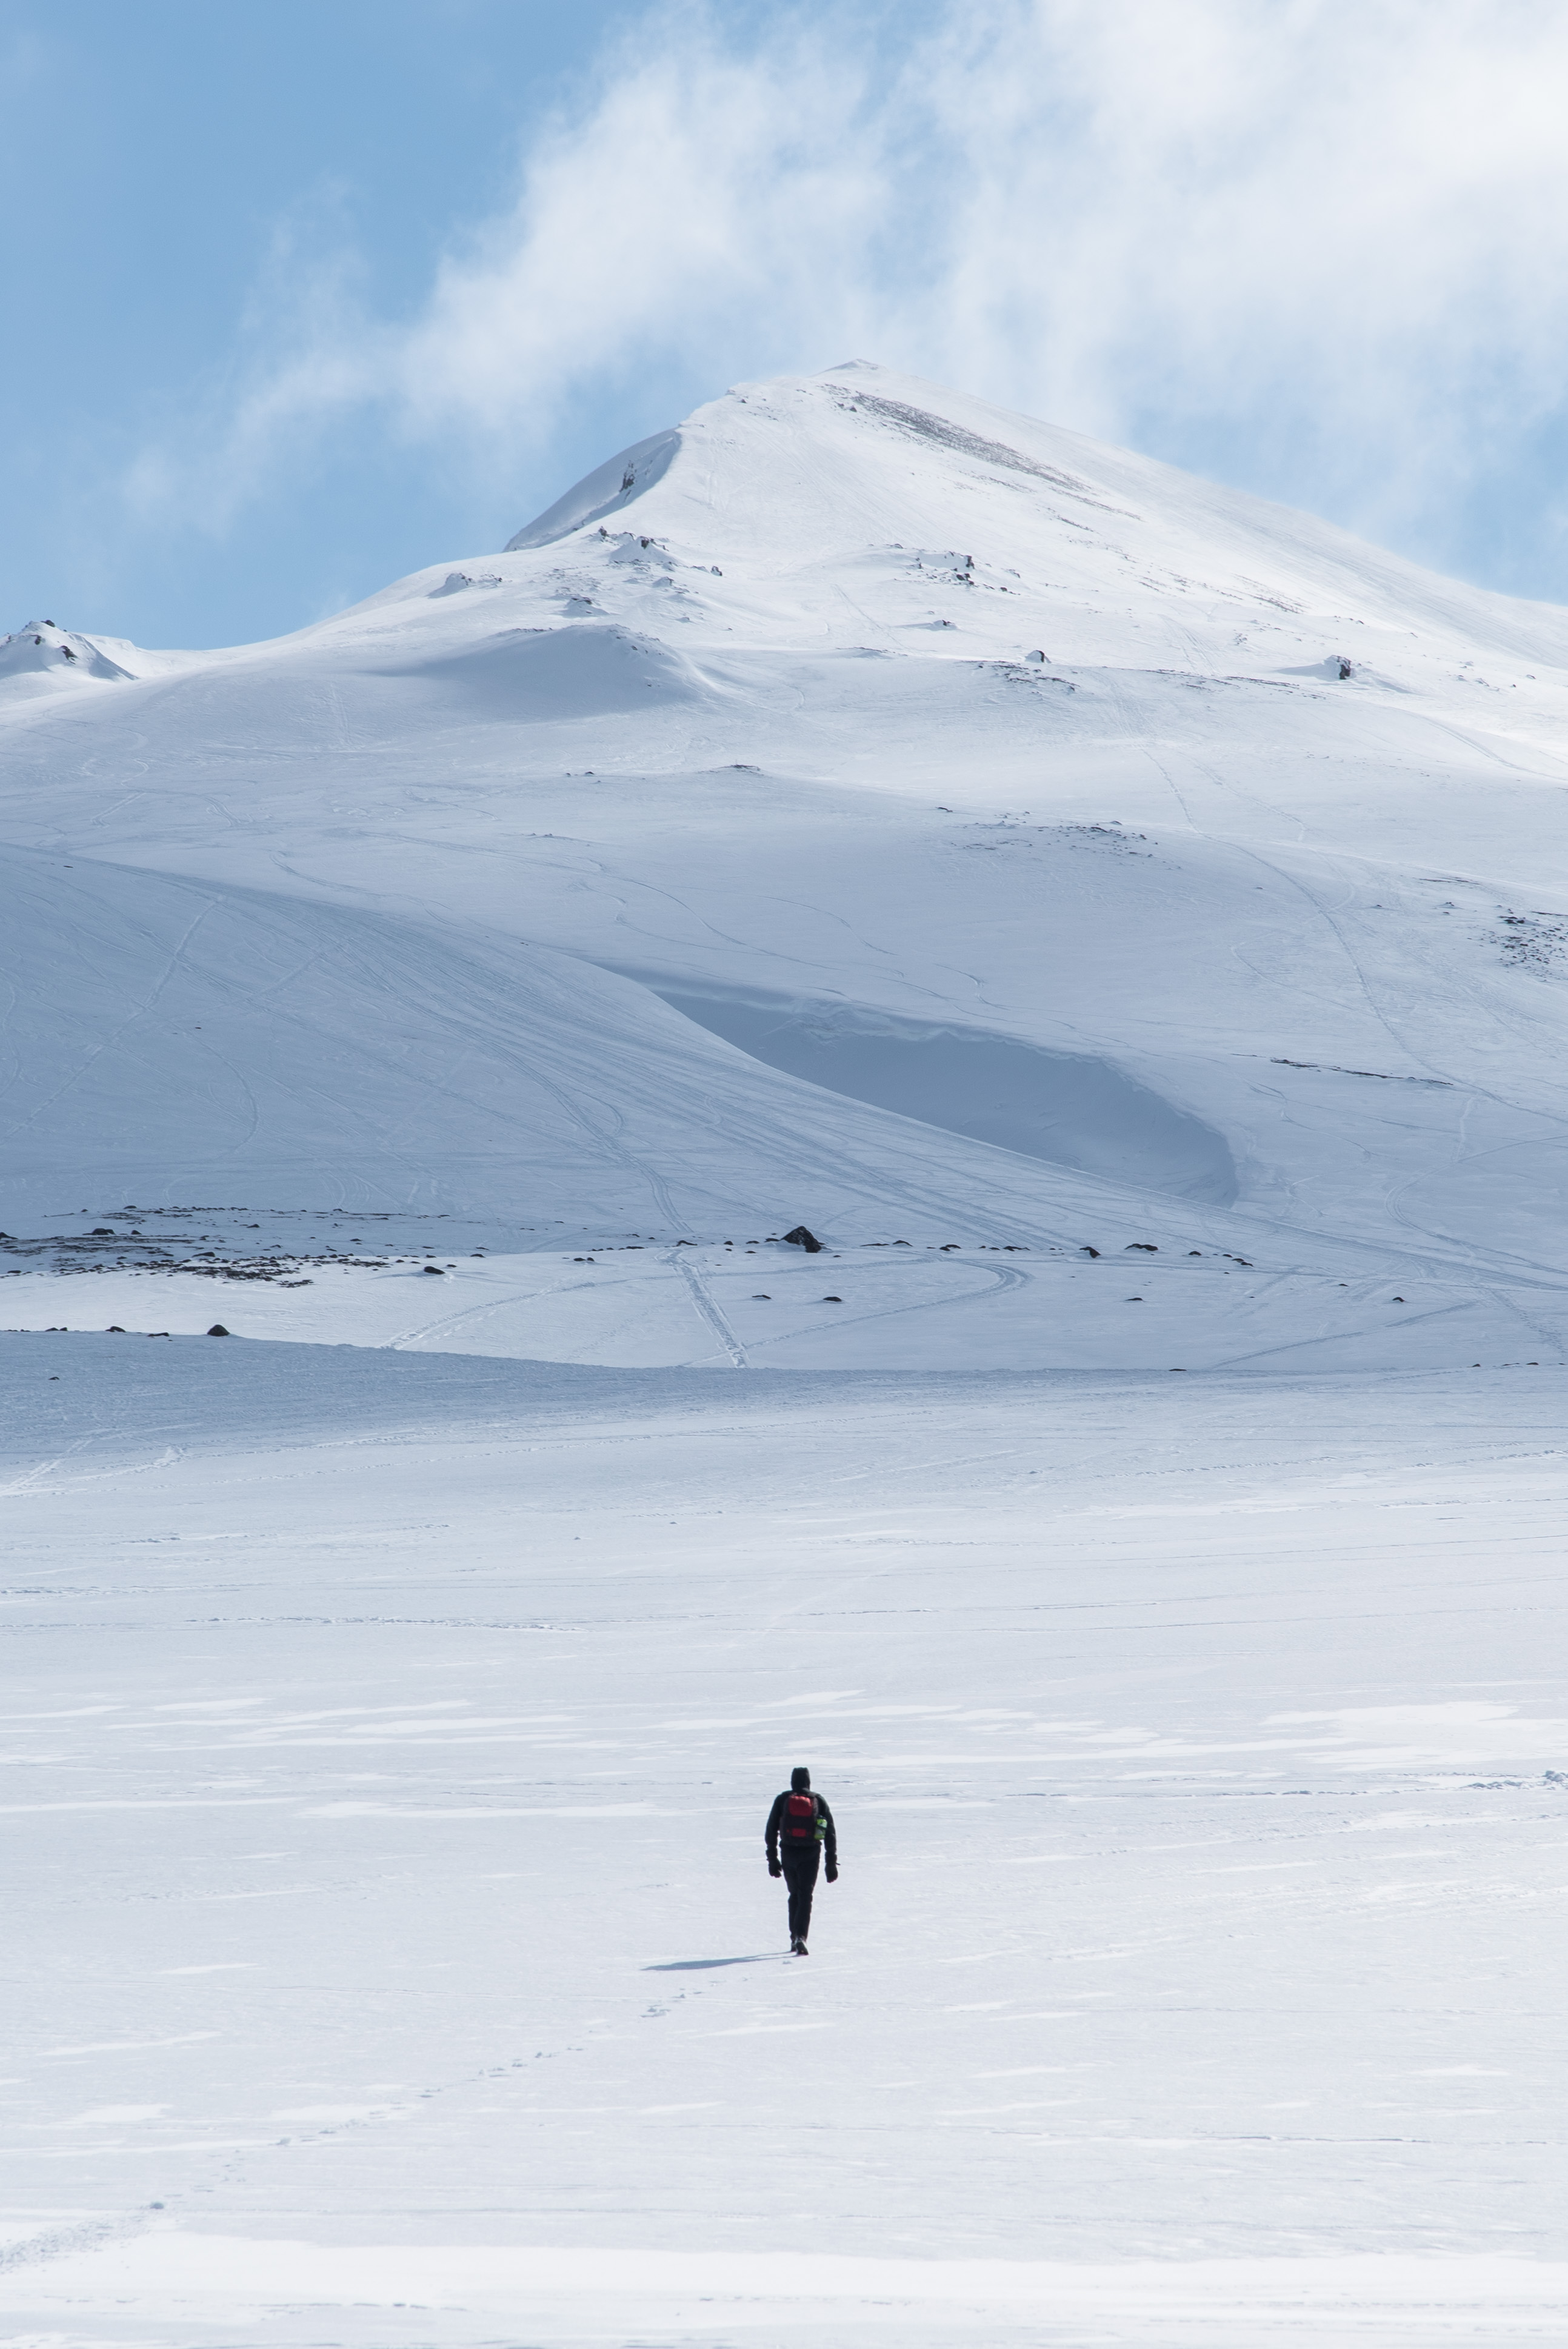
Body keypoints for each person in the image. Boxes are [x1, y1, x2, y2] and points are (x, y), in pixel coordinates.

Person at [765, 1766, 838, 1954]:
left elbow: (771, 1830)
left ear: (792, 1781)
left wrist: (772, 1859)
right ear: (808, 1782)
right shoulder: (818, 1800)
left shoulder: (783, 1800)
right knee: (806, 1896)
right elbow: (830, 1833)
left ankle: (794, 1937)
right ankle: (801, 1937)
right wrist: (831, 1863)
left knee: (794, 1895)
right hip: (811, 1853)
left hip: (788, 1853)